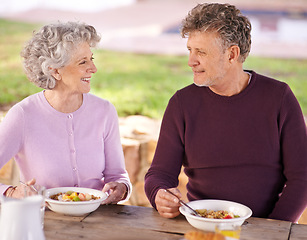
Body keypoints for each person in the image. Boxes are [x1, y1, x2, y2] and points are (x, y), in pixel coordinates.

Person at [144, 3, 307, 222]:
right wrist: (159, 195)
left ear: (232, 54)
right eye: (190, 50)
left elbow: (302, 177)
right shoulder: (182, 104)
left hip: (267, 226)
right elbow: (159, 175)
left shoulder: (279, 98)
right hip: (203, 225)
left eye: (201, 52)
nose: (191, 61)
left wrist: (274, 229)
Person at [0, 21, 132, 204]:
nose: (93, 69)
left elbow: (118, 175)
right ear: (54, 71)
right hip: (46, 222)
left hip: (99, 221)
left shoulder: (104, 111)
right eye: (82, 62)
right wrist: (12, 192)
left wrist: (121, 188)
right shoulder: (22, 116)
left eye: (91, 59)